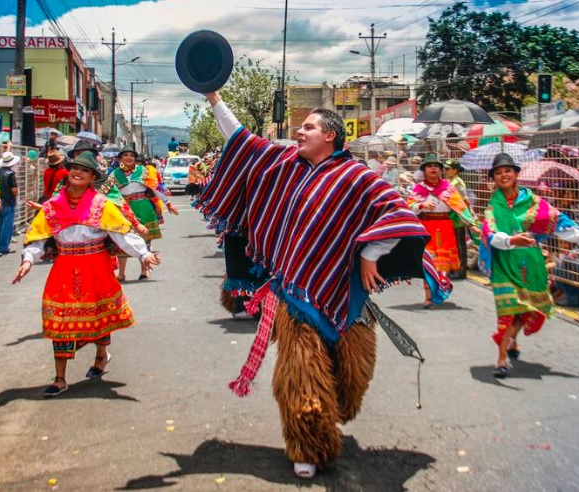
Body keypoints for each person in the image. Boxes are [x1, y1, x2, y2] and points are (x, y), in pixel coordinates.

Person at [199, 91, 449, 479]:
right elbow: (241, 140)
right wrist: (214, 98)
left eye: (308, 127)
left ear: (330, 135)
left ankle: (332, 414)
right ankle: (308, 446)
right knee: (300, 378)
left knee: (351, 383)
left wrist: (369, 254)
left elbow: (397, 213)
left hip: (348, 295)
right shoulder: (284, 165)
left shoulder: (356, 177)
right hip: (295, 294)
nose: (299, 132)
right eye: (301, 127)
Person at [12, 152, 160, 396]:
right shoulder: (52, 207)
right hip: (64, 268)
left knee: (98, 316)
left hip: (96, 266)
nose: (77, 172)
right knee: (60, 322)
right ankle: (60, 378)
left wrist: (144, 254)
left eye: (84, 170)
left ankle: (101, 356)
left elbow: (122, 234)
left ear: (92, 178)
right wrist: (28, 261)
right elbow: (38, 238)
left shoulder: (102, 206)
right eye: (74, 168)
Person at [480, 153, 579, 378]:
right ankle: (501, 357)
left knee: (525, 308)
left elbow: (560, 223)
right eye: (499, 172)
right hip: (504, 262)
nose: (503, 175)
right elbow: (489, 234)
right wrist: (512, 240)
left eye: (507, 171)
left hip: (531, 263)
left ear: (516, 174)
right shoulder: (493, 208)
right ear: (494, 178)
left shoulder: (533, 202)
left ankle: (513, 341)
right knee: (507, 309)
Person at [407, 153, 477, 307]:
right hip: (426, 228)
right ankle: (428, 296)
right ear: (424, 170)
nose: (433, 169)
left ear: (440, 170)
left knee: (442, 262)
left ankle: (441, 287)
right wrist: (421, 205)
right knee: (428, 262)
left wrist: (472, 225)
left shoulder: (448, 188)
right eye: (430, 166)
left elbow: (461, 208)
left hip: (444, 227)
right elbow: (410, 207)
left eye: (436, 166)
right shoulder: (419, 188)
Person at [102, 146, 178, 281]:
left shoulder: (143, 171)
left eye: (131, 155)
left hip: (143, 207)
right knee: (123, 238)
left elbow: (155, 188)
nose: (129, 157)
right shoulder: (114, 174)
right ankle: (121, 273)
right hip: (124, 208)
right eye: (125, 155)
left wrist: (168, 203)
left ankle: (144, 270)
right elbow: (104, 192)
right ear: (120, 158)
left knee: (145, 240)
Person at [444, 158, 473, 279]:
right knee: (453, 244)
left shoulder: (458, 183)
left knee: (460, 244)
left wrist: (465, 215)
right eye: (445, 169)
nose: (445, 171)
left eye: (448, 169)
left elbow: (465, 200)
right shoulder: (449, 181)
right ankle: (454, 268)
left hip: (458, 217)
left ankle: (461, 271)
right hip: (450, 216)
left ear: (455, 170)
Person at [0, 151, 20, 255]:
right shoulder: (10, 175)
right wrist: (16, 193)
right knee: (7, 225)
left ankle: (1, 245)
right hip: (9, 201)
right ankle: (3, 247)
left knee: (1, 224)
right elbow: (14, 190)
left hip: (0, 200)